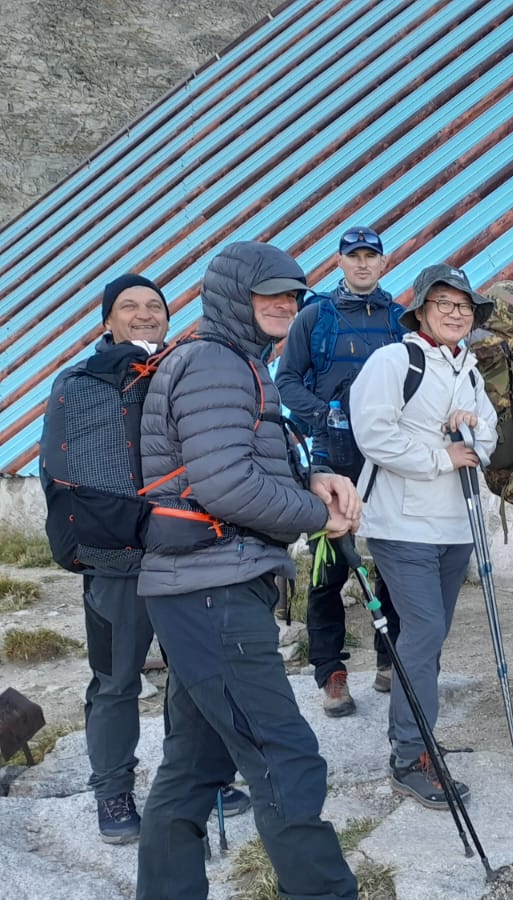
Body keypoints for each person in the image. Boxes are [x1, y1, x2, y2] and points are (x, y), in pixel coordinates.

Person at [136, 242, 359, 899]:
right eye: (269, 294)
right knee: (284, 756)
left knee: (193, 766)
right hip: (213, 592)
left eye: (292, 294)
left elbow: (235, 465)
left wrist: (312, 480)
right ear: (234, 295)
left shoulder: (231, 362)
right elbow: (226, 487)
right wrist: (321, 519)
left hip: (200, 589)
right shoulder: (217, 366)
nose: (285, 304)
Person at [39, 275, 250, 843]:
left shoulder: (185, 369)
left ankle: (198, 777)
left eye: (154, 305)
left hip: (190, 552)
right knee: (116, 681)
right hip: (119, 560)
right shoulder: (81, 383)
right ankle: (112, 791)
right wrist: (150, 520)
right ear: (106, 321)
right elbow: (80, 471)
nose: (143, 313)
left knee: (194, 674)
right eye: (128, 306)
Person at [350, 264, 497, 805]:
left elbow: (488, 438)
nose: (457, 313)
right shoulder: (395, 361)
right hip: (402, 523)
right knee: (424, 631)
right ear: (422, 311)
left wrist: (471, 432)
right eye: (444, 303)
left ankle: (417, 735)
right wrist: (443, 454)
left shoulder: (473, 372)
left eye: (464, 306)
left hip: (456, 524)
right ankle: (409, 752)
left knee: (428, 639)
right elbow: (373, 434)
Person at [274, 225, 403, 715]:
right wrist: (322, 413)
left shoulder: (399, 320)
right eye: (355, 257)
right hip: (331, 460)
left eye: (372, 255)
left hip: (388, 462)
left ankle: (391, 659)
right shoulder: (315, 317)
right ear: (340, 262)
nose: (364, 264)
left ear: (384, 263)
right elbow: (285, 380)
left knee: (394, 560)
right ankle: (331, 672)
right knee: (329, 569)